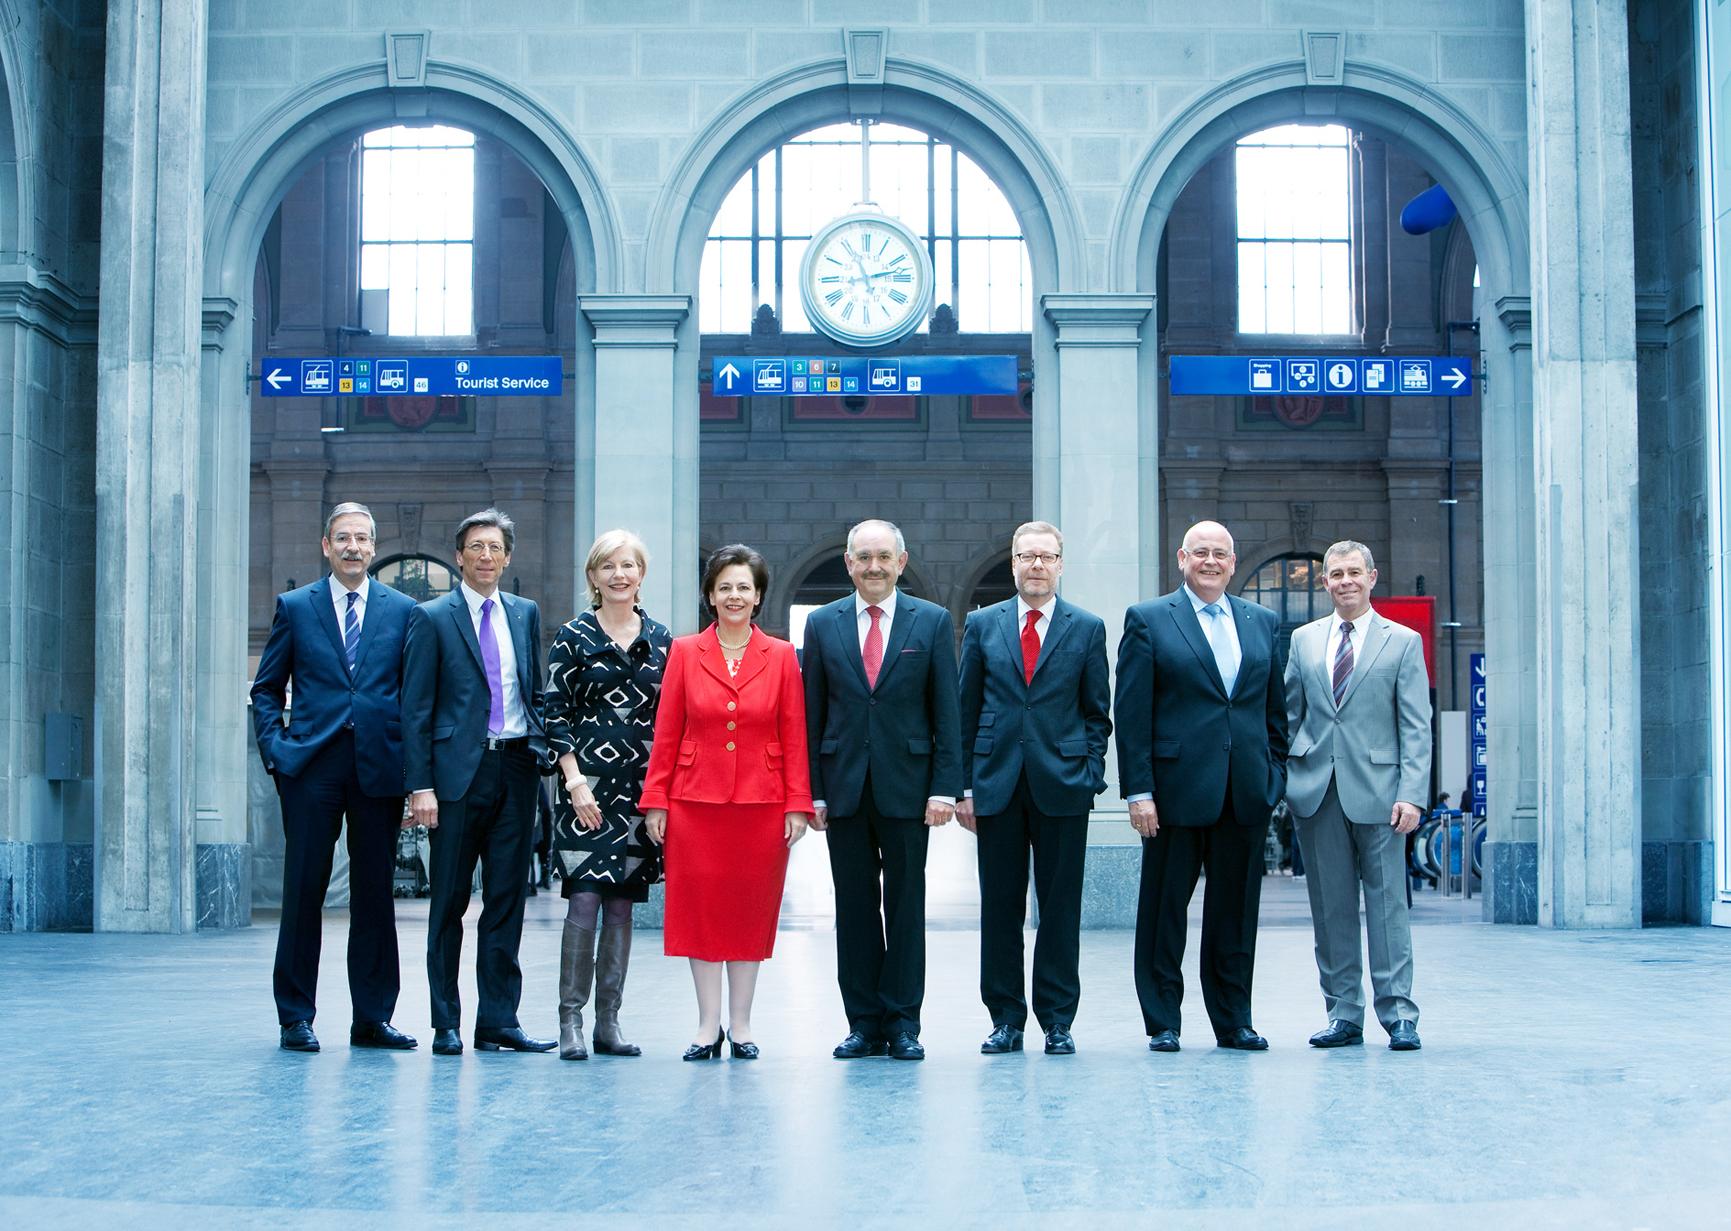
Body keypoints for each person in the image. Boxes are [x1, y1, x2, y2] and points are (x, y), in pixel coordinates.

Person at [1114, 520, 1288, 1054]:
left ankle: (1234, 1019)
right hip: (1173, 794)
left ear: (1233, 563)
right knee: (1164, 912)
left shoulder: (1262, 622)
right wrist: (1138, 790)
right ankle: (1163, 1020)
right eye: (1201, 553)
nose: (1211, 561)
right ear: (1182, 558)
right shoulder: (1148, 620)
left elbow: (1274, 712)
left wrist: (1272, 778)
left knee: (1235, 915)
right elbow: (1132, 710)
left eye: (1221, 554)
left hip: (1244, 794)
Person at [251, 502, 417, 1054]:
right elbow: (267, 689)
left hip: (379, 769)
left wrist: (416, 775)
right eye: (342, 537)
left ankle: (372, 1017)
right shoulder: (297, 608)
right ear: (326, 545)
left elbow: (413, 698)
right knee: (303, 892)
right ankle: (295, 1015)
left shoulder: (402, 610)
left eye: (362, 539)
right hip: (311, 769)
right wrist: (277, 751)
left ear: (374, 547)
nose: (352, 547)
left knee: (375, 896)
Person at [640, 545, 812, 1060]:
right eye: (724, 587)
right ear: (710, 596)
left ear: (758, 596)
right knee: (702, 915)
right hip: (694, 803)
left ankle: (741, 1026)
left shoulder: (781, 655)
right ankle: (705, 1025)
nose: (734, 596)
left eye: (744, 587)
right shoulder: (685, 652)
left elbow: (794, 733)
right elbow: (667, 731)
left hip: (763, 804)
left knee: (746, 914)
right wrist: (657, 800)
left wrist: (797, 803)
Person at [802, 519, 962, 1062]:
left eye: (883, 557)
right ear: (849, 563)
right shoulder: (823, 625)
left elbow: (947, 711)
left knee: (905, 906)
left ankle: (903, 1023)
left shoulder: (933, 622)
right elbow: (812, 714)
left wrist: (945, 788)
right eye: (863, 557)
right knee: (854, 909)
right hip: (843, 789)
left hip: (909, 789)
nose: (873, 566)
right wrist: (814, 792)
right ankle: (863, 1023)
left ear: (901, 560)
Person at [402, 508, 555, 1055]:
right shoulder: (432, 617)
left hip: (514, 770)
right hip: (454, 778)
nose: (486, 556)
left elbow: (533, 689)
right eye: (476, 547)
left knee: (507, 900)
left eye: (495, 547)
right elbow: (415, 707)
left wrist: (538, 747)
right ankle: (446, 1022)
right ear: (460, 554)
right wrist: (419, 785)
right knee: (447, 902)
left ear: (507, 556)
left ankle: (498, 1021)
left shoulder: (525, 613)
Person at [957, 521, 1111, 1057]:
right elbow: (965, 708)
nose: (1036, 565)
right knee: (999, 908)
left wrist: (1090, 770)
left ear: (1060, 564)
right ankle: (1005, 1018)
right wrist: (964, 786)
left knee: (1060, 908)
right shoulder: (983, 625)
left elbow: (1098, 713)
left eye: (1046, 556)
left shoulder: (1087, 628)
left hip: (1064, 785)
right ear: (1014, 564)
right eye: (1026, 556)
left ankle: (1057, 1019)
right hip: (995, 784)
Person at [1283, 539, 1432, 1052]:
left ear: (1373, 577)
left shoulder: (1402, 642)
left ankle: (1399, 1015)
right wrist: (1292, 771)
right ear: (1323, 582)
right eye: (1334, 574)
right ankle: (1344, 1012)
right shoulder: (1303, 641)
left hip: (1383, 796)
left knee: (1388, 906)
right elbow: (1290, 714)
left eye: (1353, 572)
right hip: (1317, 791)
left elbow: (1416, 725)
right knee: (1331, 909)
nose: (1344, 581)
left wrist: (1413, 793)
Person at [543, 529, 672, 1061]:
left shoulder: (664, 641)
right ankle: (569, 1021)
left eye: (628, 565)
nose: (619, 575)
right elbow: (554, 712)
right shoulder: (572, 636)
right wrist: (574, 783)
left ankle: (608, 1022)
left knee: (621, 905)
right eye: (608, 567)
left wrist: (662, 796)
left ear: (641, 574)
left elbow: (671, 720)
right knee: (585, 897)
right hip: (585, 789)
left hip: (641, 792)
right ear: (593, 577)